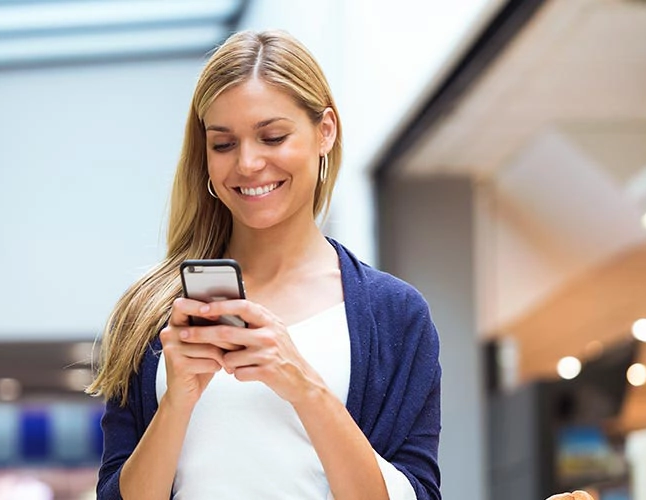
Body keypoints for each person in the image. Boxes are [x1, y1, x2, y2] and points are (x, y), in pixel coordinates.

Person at [86, 29, 441, 500]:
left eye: (272, 137)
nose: (248, 163)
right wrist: (176, 402)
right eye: (223, 144)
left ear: (325, 131)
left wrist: (305, 387)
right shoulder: (151, 314)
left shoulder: (396, 315)